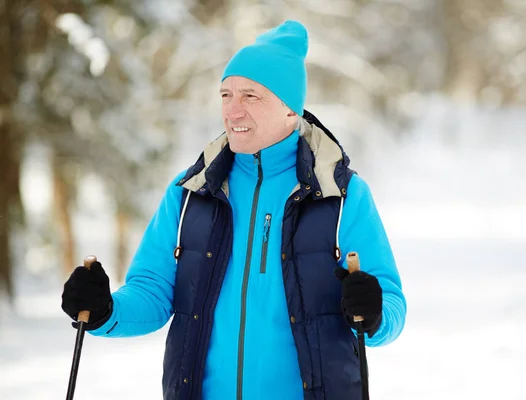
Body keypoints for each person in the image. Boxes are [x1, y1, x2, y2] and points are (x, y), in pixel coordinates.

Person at [61, 20, 406, 400]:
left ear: (291, 111)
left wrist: (372, 312)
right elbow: (153, 290)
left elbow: (390, 306)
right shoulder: (191, 192)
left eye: (250, 97)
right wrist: (104, 311)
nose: (233, 111)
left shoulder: (340, 195)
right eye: (225, 95)